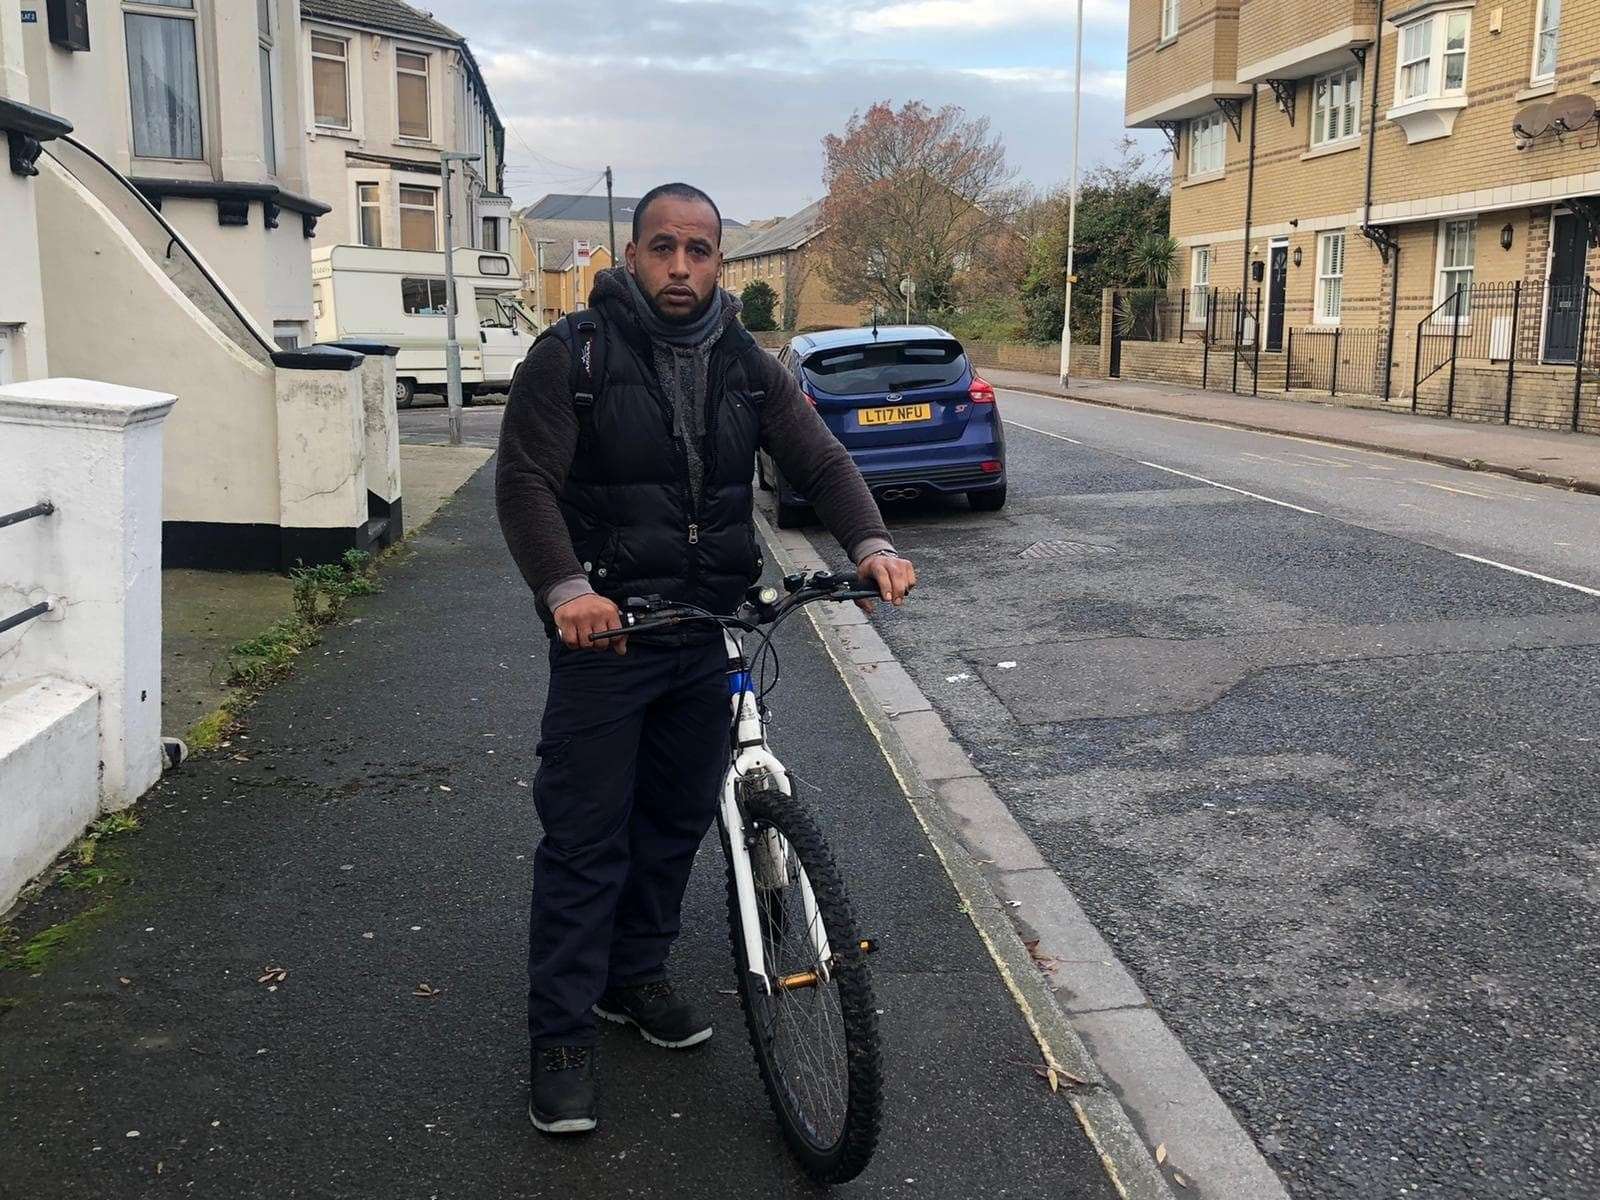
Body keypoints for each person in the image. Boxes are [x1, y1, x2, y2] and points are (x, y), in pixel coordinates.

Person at [495, 182, 918, 1135]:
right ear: (633, 255)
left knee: (674, 824)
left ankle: (632, 979)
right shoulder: (575, 356)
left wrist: (873, 545)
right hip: (607, 638)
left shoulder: (746, 361)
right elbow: (524, 484)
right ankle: (560, 1035)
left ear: (720, 261)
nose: (680, 267)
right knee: (584, 840)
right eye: (662, 249)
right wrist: (570, 593)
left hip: (705, 630)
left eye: (699, 251)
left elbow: (822, 462)